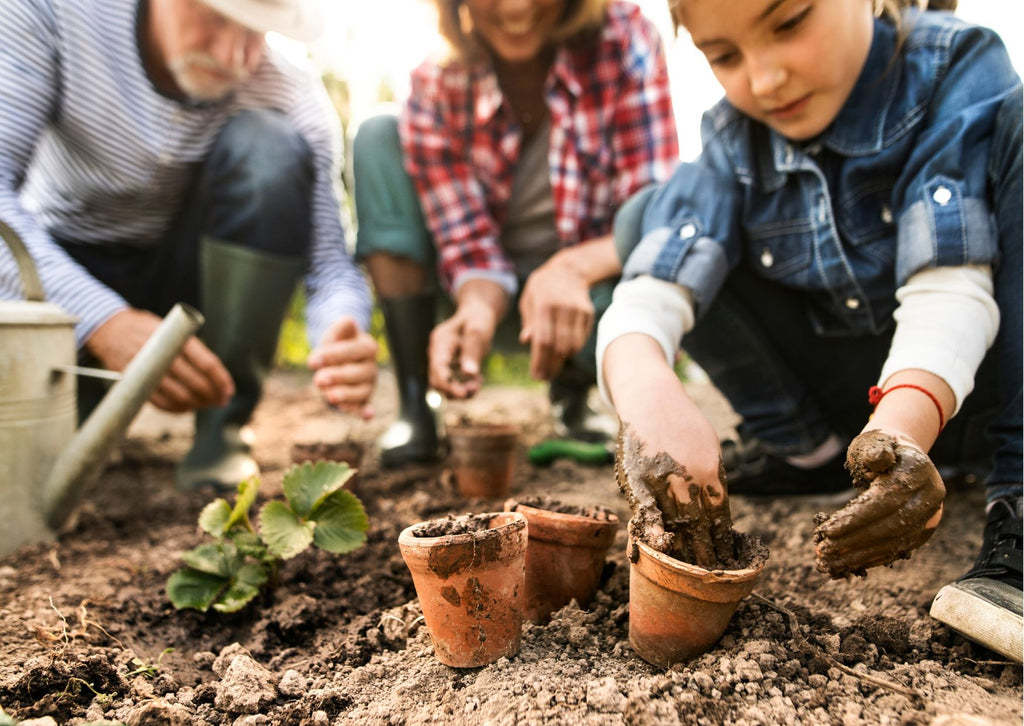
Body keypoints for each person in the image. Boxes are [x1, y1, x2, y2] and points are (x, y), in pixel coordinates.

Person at [598, 0, 1022, 662]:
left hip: (976, 386)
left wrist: (903, 430)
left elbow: (951, 285)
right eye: (724, 56)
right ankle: (807, 455)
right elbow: (653, 288)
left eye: (789, 21)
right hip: (854, 408)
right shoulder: (734, 136)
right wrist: (650, 397)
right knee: (646, 222)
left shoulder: (956, 66)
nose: (764, 81)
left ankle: (1017, 493)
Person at [0, 0, 379, 491]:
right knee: (40, 460)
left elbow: (330, 265)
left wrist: (339, 331)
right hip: (67, 272)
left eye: (257, 32)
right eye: (216, 17)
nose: (234, 55)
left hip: (197, 281)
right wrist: (102, 320)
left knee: (271, 147)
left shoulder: (288, 88)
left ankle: (222, 430)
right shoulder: (50, 13)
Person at [351, 0, 679, 467]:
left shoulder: (624, 37)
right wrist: (478, 306)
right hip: (482, 297)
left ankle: (574, 390)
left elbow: (653, 212)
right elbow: (467, 242)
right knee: (378, 134)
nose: (517, 5)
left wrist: (571, 269)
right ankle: (414, 400)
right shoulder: (434, 81)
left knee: (667, 264)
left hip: (590, 296)